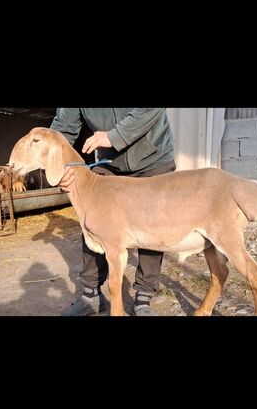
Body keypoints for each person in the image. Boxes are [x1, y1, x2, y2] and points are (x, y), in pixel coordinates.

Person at [50, 108, 176, 316]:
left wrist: (113, 137)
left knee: (152, 223)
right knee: (94, 218)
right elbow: (62, 129)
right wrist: (57, 167)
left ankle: (143, 297)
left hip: (152, 156)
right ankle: (91, 295)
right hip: (110, 161)